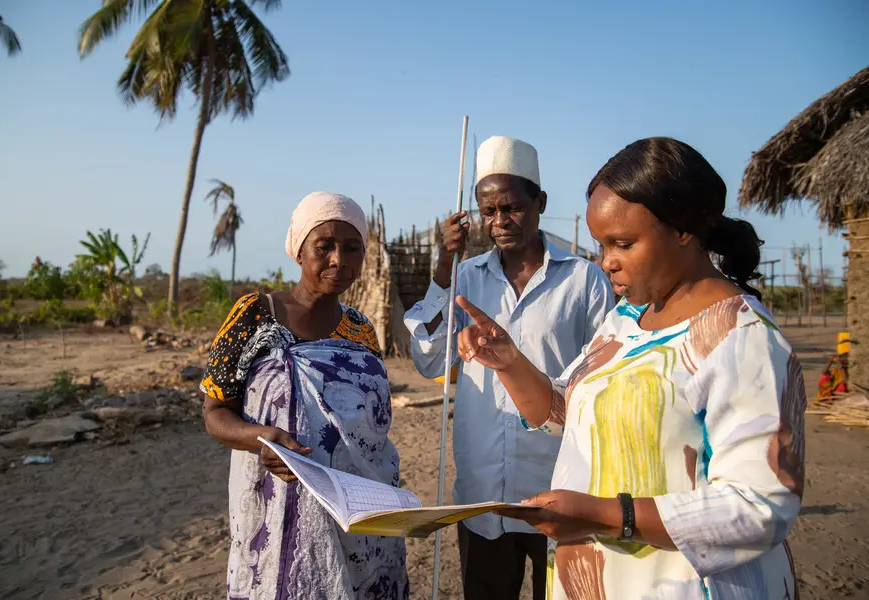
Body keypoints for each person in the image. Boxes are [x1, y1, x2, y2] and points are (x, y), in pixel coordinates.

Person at [455, 137, 805, 599]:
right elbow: (569, 411)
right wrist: (510, 363)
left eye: (623, 243)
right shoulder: (626, 321)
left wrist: (607, 516)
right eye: (602, 245)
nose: (608, 263)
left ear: (684, 229)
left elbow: (762, 505)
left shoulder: (742, 338)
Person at [404, 136, 614, 600]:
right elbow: (429, 359)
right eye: (489, 211)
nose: (500, 221)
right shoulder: (465, 279)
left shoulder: (584, 281)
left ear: (539, 203)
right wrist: (442, 271)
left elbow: (602, 380)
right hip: (484, 492)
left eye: (512, 207)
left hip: (562, 486)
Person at [201, 192, 409, 600]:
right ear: (298, 250)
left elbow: (373, 426)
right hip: (278, 505)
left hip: (360, 507)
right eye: (324, 246)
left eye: (352, 249)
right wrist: (259, 437)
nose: (339, 260)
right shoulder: (255, 315)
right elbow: (214, 412)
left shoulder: (361, 331)